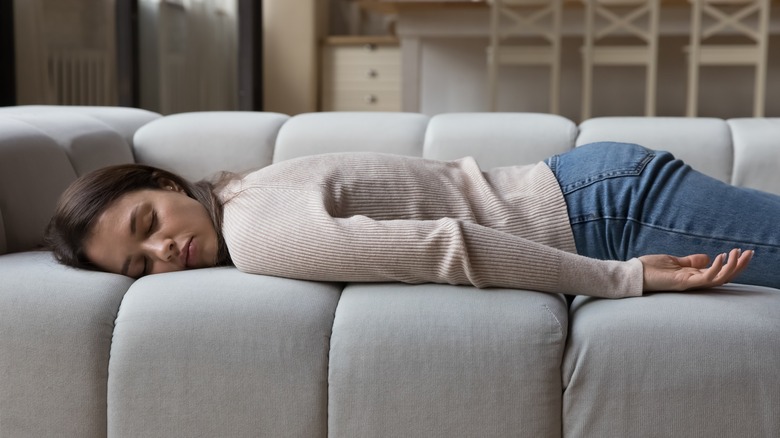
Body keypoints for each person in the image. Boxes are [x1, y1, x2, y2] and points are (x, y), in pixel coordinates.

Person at [44, 142, 773, 299]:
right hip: (589, 188)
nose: (164, 247)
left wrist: (620, 280)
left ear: (164, 182)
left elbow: (446, 246)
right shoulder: (246, 192)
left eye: (147, 221)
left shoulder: (255, 231)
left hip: (602, 215)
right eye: (140, 262)